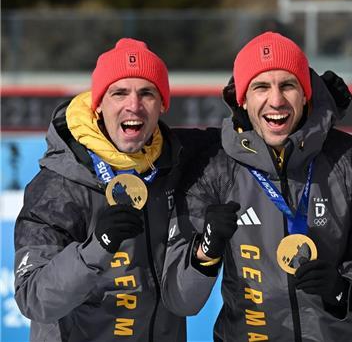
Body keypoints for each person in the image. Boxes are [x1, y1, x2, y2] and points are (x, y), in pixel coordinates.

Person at [162, 31, 352, 342]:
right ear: (243, 98)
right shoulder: (214, 168)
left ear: (306, 94)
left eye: (288, 85)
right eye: (261, 87)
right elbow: (181, 299)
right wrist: (206, 249)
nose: (276, 100)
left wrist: (341, 290)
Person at [13, 38, 217, 341]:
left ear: (162, 104)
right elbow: (33, 298)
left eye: (146, 93)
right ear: (98, 105)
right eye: (119, 93)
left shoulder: (179, 162)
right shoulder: (58, 184)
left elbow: (252, 137)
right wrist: (96, 248)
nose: (133, 106)